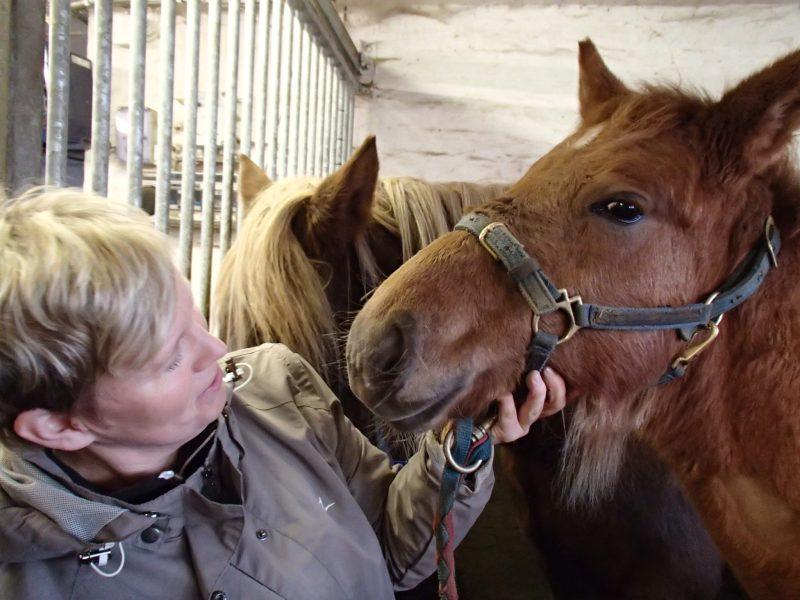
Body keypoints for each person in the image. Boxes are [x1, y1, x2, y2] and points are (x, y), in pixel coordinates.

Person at [0, 188, 566, 599]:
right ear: (58, 425)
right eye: (169, 357)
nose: (215, 348)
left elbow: (392, 548)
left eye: (194, 316)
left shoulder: (275, 389)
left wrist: (458, 445)